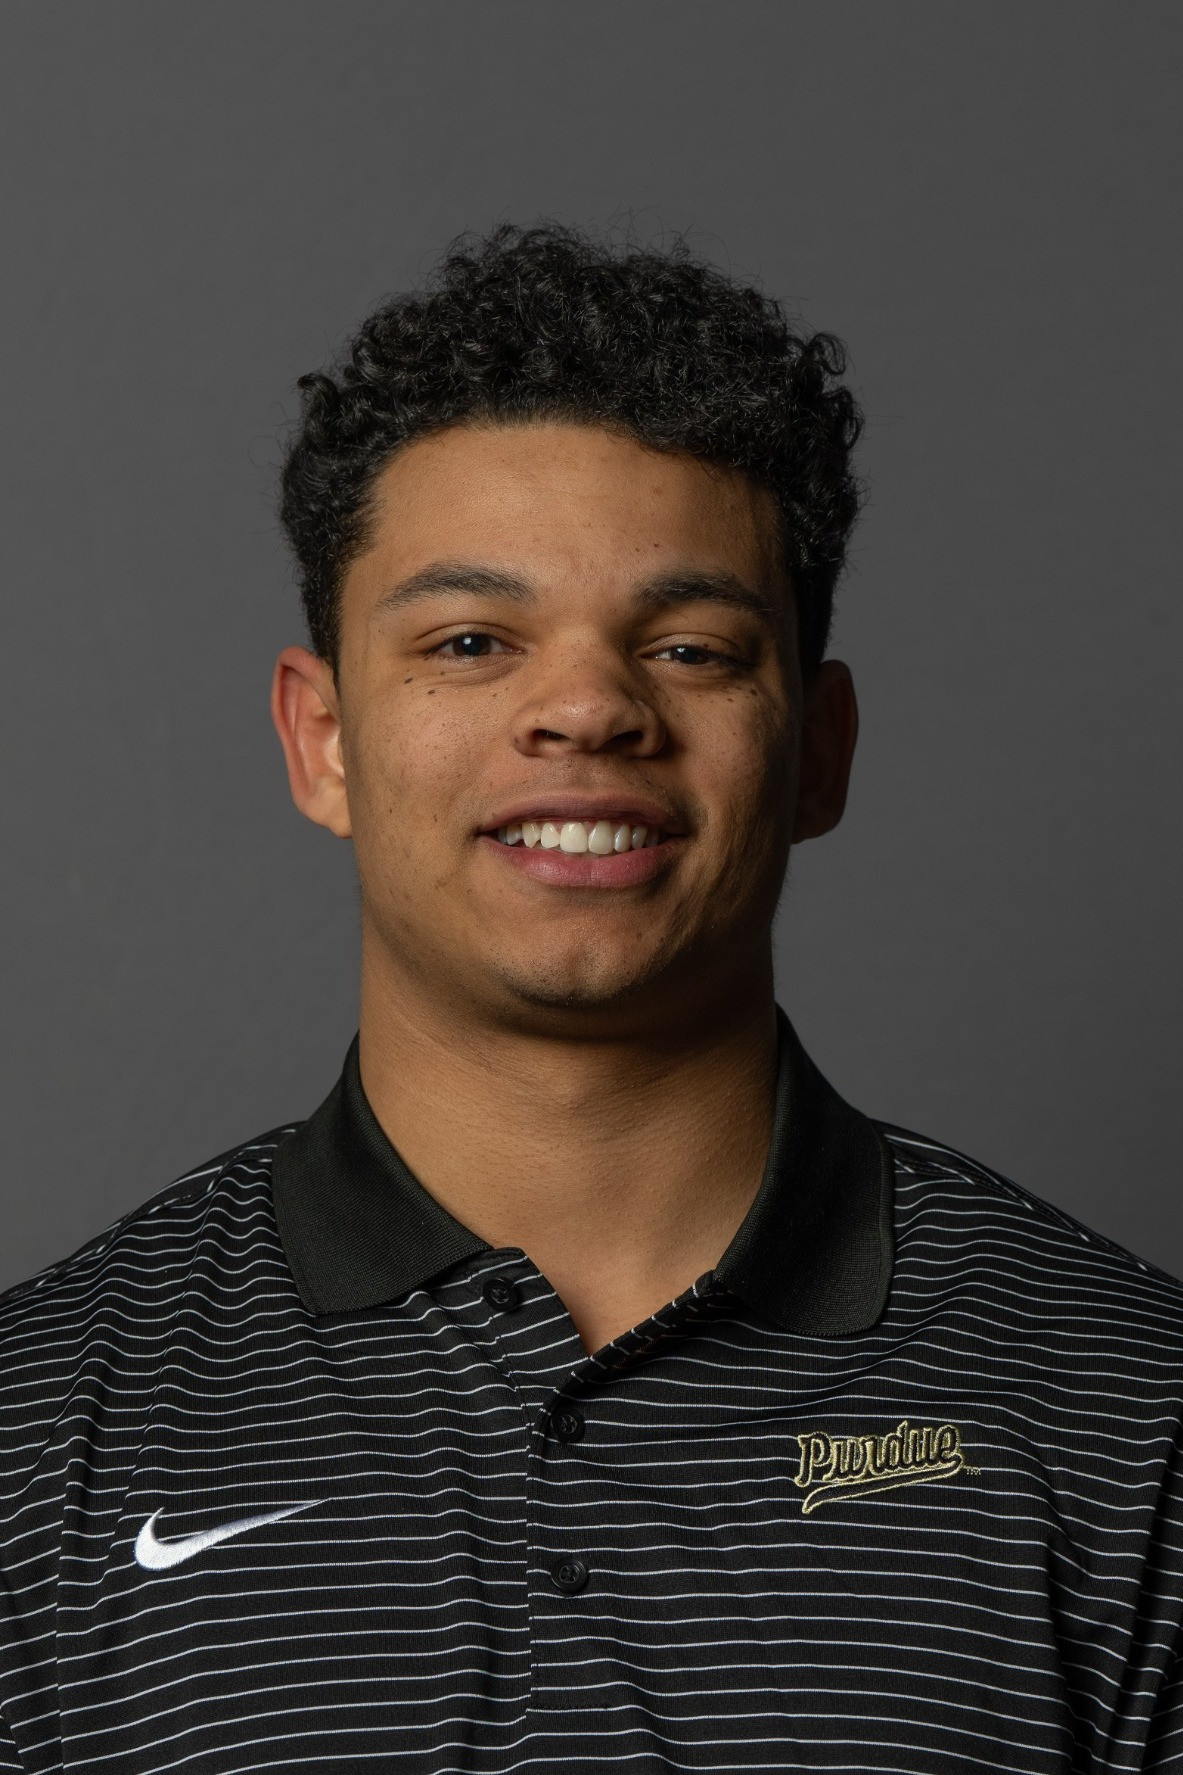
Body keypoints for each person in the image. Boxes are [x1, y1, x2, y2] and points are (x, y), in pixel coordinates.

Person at [1, 224, 1181, 1775]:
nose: (586, 709)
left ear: (818, 750)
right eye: (470, 642)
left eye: (689, 647)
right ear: (322, 739)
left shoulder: (1135, 1417)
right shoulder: (33, 1436)